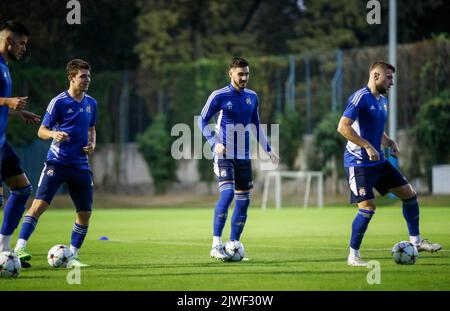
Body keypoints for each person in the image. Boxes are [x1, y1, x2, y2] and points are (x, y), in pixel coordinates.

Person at [337, 61, 442, 267]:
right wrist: (367, 146)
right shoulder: (360, 97)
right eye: (389, 77)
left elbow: (374, 129)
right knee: (368, 207)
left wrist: (389, 141)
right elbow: (343, 127)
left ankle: (417, 242)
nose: (392, 82)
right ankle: (353, 256)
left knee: (409, 194)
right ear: (375, 76)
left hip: (378, 162)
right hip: (358, 163)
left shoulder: (382, 101)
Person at [14, 59, 97, 267]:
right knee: (39, 204)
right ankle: (20, 248)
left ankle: (73, 255)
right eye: (83, 76)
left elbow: (92, 128)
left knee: (85, 212)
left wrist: (92, 144)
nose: (87, 80)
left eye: (88, 76)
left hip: (80, 165)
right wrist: (54, 134)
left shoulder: (92, 103)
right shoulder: (58, 102)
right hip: (57, 163)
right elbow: (41, 131)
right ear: (71, 77)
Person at [198, 57, 279, 261]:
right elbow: (202, 120)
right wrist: (213, 142)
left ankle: (233, 245)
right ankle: (216, 245)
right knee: (227, 196)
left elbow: (256, 124)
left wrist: (268, 149)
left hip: (244, 157)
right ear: (231, 74)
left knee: (243, 203)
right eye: (240, 74)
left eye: (247, 74)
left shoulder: (252, 96)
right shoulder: (219, 96)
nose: (244, 78)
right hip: (224, 156)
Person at [0, 21, 40, 263]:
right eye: (22, 43)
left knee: (23, 189)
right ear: (9, 40)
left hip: (2, 143)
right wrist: (7, 102)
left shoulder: (4, 65)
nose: (24, 48)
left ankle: (4, 248)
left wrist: (17, 112)